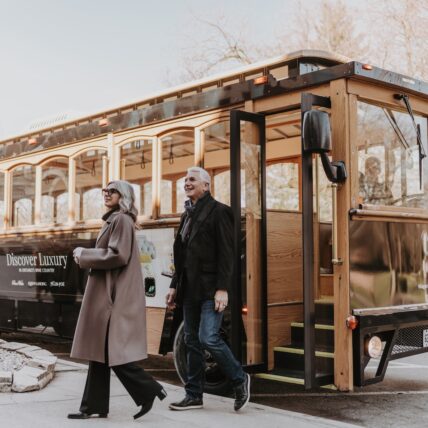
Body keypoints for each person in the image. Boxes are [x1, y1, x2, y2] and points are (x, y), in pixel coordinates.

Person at [68, 180, 166, 420]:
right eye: (104, 190)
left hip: (114, 295)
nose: (106, 193)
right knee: (100, 353)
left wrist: (84, 254)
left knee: (112, 352)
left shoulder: (120, 219)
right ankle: (94, 406)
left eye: (112, 190)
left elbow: (118, 255)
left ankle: (149, 389)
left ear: (123, 195)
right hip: (113, 293)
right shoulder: (116, 219)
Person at [165, 166, 250, 412]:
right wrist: (174, 285)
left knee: (208, 337)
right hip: (189, 289)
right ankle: (193, 395)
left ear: (206, 185)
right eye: (185, 179)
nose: (186, 183)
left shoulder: (220, 212)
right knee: (191, 340)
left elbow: (227, 255)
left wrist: (222, 289)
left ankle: (239, 378)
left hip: (211, 288)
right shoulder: (187, 215)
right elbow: (180, 256)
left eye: (192, 179)